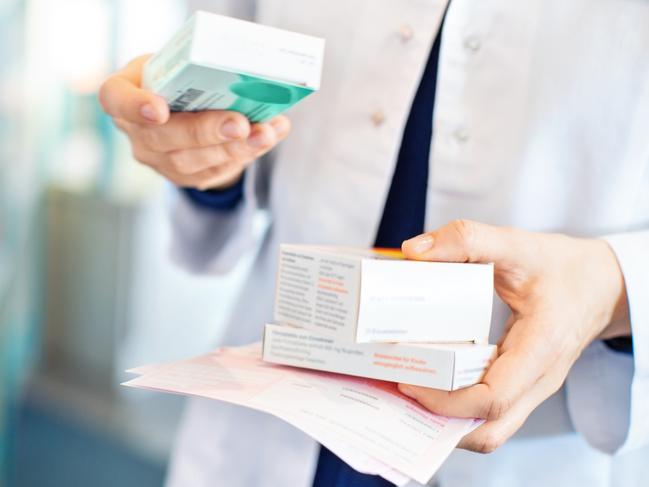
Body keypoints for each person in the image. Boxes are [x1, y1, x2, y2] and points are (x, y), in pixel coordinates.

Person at [99, 0, 649, 486]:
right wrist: (198, 155)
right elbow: (229, 101)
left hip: (547, 443)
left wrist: (613, 285)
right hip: (274, 419)